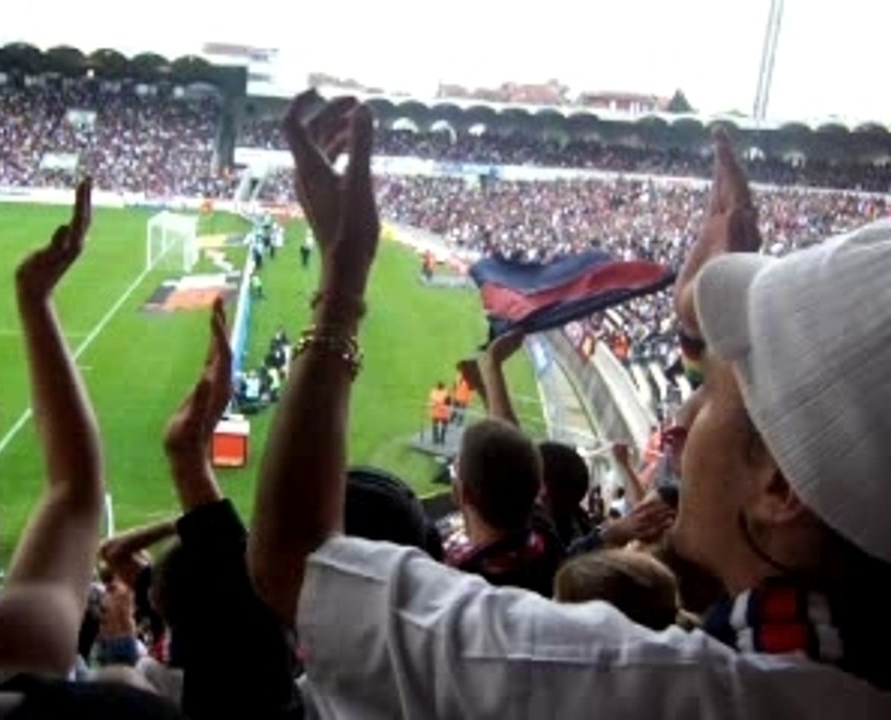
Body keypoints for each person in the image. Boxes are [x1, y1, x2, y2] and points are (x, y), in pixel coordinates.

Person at [250, 95, 891, 717]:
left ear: (780, 487)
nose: (680, 422)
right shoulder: (833, 659)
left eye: (713, 393)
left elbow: (296, 564)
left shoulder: (645, 689)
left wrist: (341, 282)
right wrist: (708, 331)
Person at [427, 381, 451, 445]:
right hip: (444, 414)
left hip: (436, 413)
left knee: (435, 426)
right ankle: (442, 439)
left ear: (437, 387)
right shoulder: (446, 393)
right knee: (443, 427)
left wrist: (432, 405)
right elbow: (449, 404)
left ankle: (435, 439)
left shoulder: (433, 392)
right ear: (443, 387)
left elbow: (431, 401)